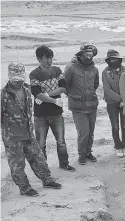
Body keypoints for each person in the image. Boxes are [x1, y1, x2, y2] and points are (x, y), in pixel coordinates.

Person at [1, 62, 62, 197]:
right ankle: (25, 188)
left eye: (21, 79)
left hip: (28, 132)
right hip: (13, 137)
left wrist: (52, 101)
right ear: (10, 77)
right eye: (16, 79)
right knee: (17, 165)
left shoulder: (27, 90)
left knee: (38, 157)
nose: (18, 82)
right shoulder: (3, 95)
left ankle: (47, 180)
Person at [30, 46, 75, 171]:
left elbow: (64, 88)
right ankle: (43, 168)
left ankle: (64, 163)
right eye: (46, 59)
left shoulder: (57, 70)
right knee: (41, 144)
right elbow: (36, 93)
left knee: (61, 141)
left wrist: (46, 95)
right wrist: (54, 100)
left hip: (56, 112)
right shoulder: (34, 74)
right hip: (40, 114)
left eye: (50, 58)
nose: (49, 61)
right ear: (39, 59)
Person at [64, 44, 99, 165]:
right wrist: (74, 97)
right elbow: (65, 85)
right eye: (86, 54)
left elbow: (95, 85)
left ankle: (88, 152)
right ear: (81, 54)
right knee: (83, 132)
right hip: (78, 106)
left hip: (92, 105)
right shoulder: (71, 68)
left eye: (91, 54)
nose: (89, 57)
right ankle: (82, 154)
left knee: (91, 132)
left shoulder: (94, 69)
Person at [102, 49, 125, 157]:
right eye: (111, 59)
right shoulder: (105, 72)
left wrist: (124, 99)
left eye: (115, 59)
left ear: (119, 59)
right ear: (108, 61)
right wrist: (120, 99)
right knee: (115, 126)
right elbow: (107, 89)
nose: (113, 61)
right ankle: (118, 146)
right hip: (112, 102)